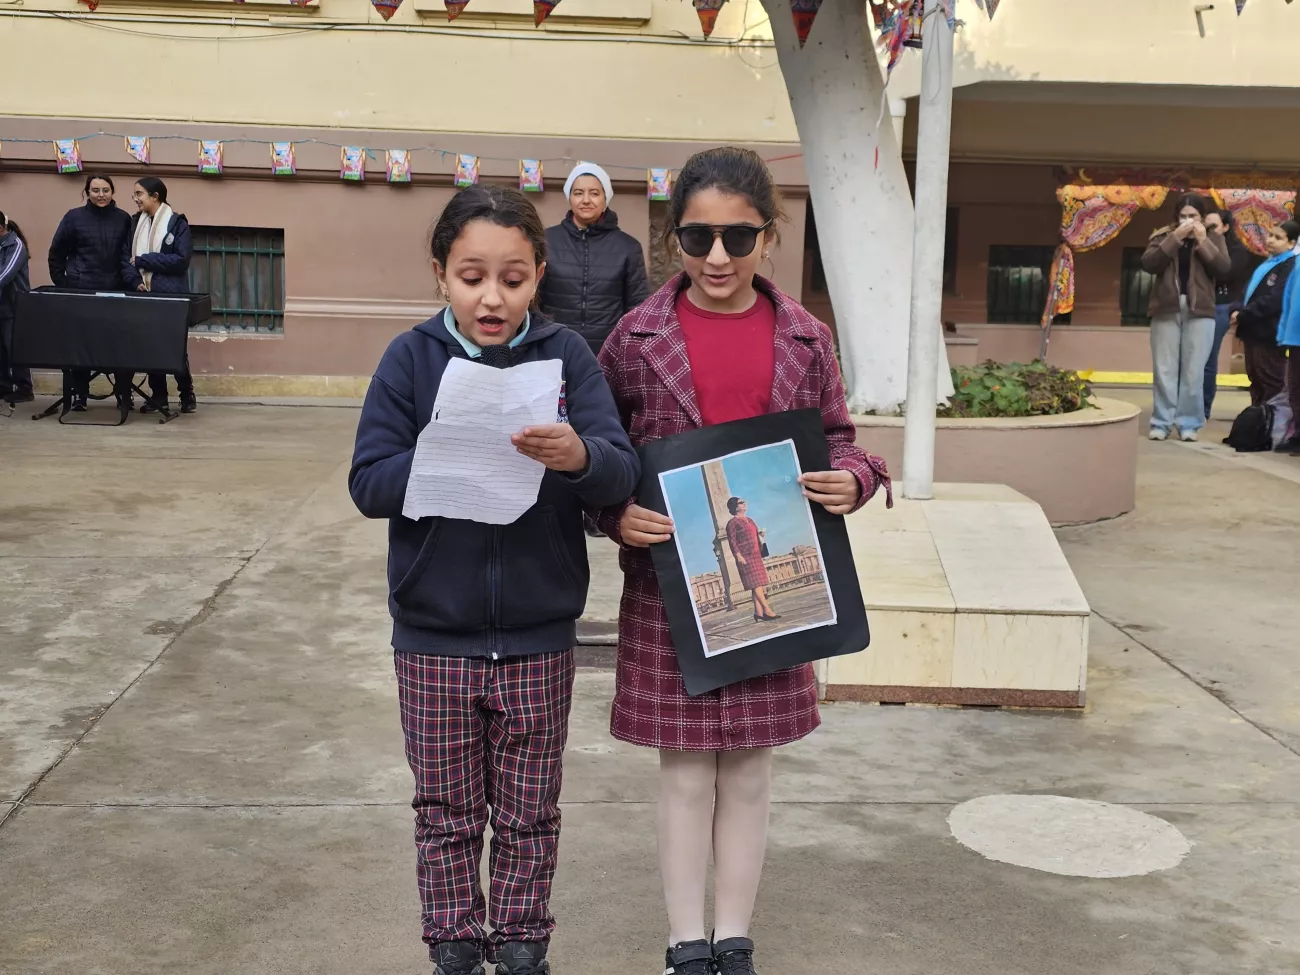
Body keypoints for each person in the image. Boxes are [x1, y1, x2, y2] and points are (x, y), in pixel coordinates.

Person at [592, 147, 891, 975]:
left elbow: (841, 440)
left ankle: (734, 940)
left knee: (751, 772)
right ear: (674, 238)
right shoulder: (634, 338)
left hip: (784, 603)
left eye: (738, 236)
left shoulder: (805, 337)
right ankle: (685, 944)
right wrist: (614, 514)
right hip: (668, 591)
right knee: (687, 775)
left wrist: (853, 479)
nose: (717, 256)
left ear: (769, 232)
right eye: (697, 237)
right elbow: (599, 453)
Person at [348, 185, 639, 975]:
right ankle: (452, 942)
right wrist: (442, 446)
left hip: (539, 633)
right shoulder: (411, 358)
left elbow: (618, 468)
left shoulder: (565, 357)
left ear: (538, 274)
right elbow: (368, 482)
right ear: (440, 273)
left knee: (528, 810)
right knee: (444, 808)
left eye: (512, 279)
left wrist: (577, 454)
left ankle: (520, 941)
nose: (491, 297)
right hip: (433, 635)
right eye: (471, 276)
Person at [47, 173, 143, 412]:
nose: (101, 195)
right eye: (95, 190)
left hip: (116, 292)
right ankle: (80, 394)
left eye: (105, 190)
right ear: (87, 193)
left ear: (112, 192)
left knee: (120, 345)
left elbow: (128, 255)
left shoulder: (123, 219)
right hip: (82, 292)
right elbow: (56, 253)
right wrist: (65, 284)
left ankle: (123, 394)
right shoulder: (73, 217)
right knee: (81, 345)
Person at [535, 161, 651, 357]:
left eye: (594, 193)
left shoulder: (628, 247)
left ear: (606, 198)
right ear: (570, 197)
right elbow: (533, 297)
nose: (586, 200)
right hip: (555, 347)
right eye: (578, 193)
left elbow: (638, 305)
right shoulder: (546, 240)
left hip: (608, 353)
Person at [1140, 193, 1231, 442]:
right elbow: (1149, 264)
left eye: (1193, 216)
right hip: (1166, 307)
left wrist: (1203, 241)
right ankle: (1161, 422)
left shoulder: (1213, 237)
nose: (1187, 220)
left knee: (1194, 371)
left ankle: (1189, 423)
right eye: (1183, 216)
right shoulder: (1163, 236)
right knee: (1164, 368)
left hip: (1200, 310)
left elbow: (1223, 269)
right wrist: (1175, 239)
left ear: (1202, 217)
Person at [130, 177, 197, 414]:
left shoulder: (177, 224)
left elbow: (180, 260)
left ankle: (187, 394)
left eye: (139, 194)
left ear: (155, 196)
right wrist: (135, 280)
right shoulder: (135, 223)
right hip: (143, 294)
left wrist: (144, 260)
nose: (136, 199)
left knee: (174, 347)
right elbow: (126, 259)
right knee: (150, 347)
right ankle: (158, 396)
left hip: (171, 297)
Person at [1229, 220, 1298, 409]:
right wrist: (1236, 308)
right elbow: (1248, 292)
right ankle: (1258, 422)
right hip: (1252, 331)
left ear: (1291, 243)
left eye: (1278, 238)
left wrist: (1243, 314)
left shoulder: (1290, 266)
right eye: (1270, 235)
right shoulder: (1267, 264)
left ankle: (1272, 423)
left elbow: (1275, 299)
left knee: (1271, 384)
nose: (1271, 240)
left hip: (1269, 333)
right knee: (1256, 381)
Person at [1203, 209, 1255, 418]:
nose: (1208, 230)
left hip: (1221, 306)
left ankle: (1203, 408)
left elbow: (1226, 273)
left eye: (1213, 226)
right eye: (1206, 225)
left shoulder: (1237, 251)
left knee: (1208, 358)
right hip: (1197, 304)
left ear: (1225, 227)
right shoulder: (1198, 244)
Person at [724, 497, 780, 622]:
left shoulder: (750, 520)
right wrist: (738, 555)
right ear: (735, 507)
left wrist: (760, 535)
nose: (744, 504)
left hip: (756, 554)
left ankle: (758, 613)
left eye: (744, 502)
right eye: (741, 502)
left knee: (758, 583)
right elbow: (732, 541)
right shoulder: (732, 523)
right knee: (755, 584)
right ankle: (767, 610)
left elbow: (754, 535)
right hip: (745, 555)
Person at [0, 210, 34, 405]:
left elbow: (5, 274)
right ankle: (4, 386)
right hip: (1, 305)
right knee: (1, 349)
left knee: (14, 347)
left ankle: (24, 388)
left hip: (15, 306)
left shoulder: (15, 245)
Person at [1276, 239, 1300, 454]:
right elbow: (1288, 297)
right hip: (1295, 335)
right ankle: (1297, 433)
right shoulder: (1298, 261)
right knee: (1295, 388)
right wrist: (1283, 331)